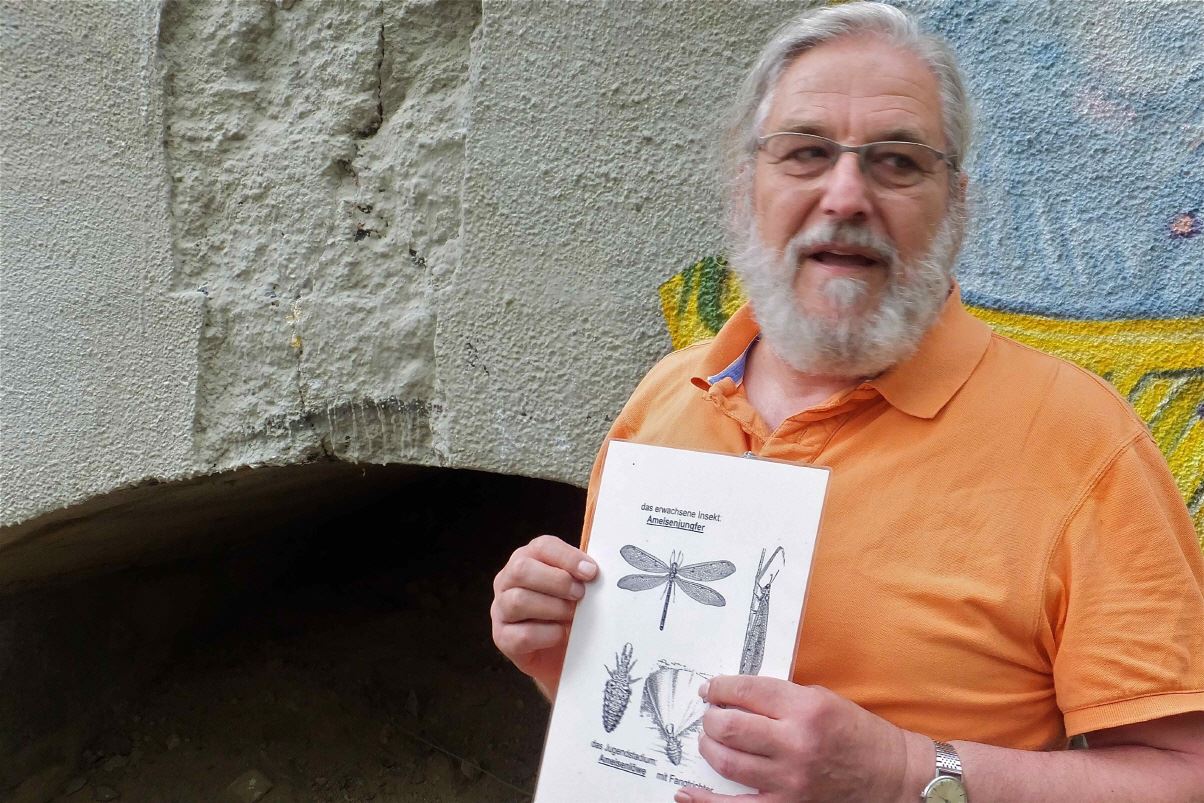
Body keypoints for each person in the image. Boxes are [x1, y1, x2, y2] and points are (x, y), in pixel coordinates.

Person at [490, 4, 1204, 800]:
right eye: (806, 152)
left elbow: (1184, 775)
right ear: (745, 188)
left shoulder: (1081, 441)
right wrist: (562, 659)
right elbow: (644, 739)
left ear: (956, 206)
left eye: (897, 162)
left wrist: (905, 772)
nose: (845, 195)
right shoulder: (667, 397)